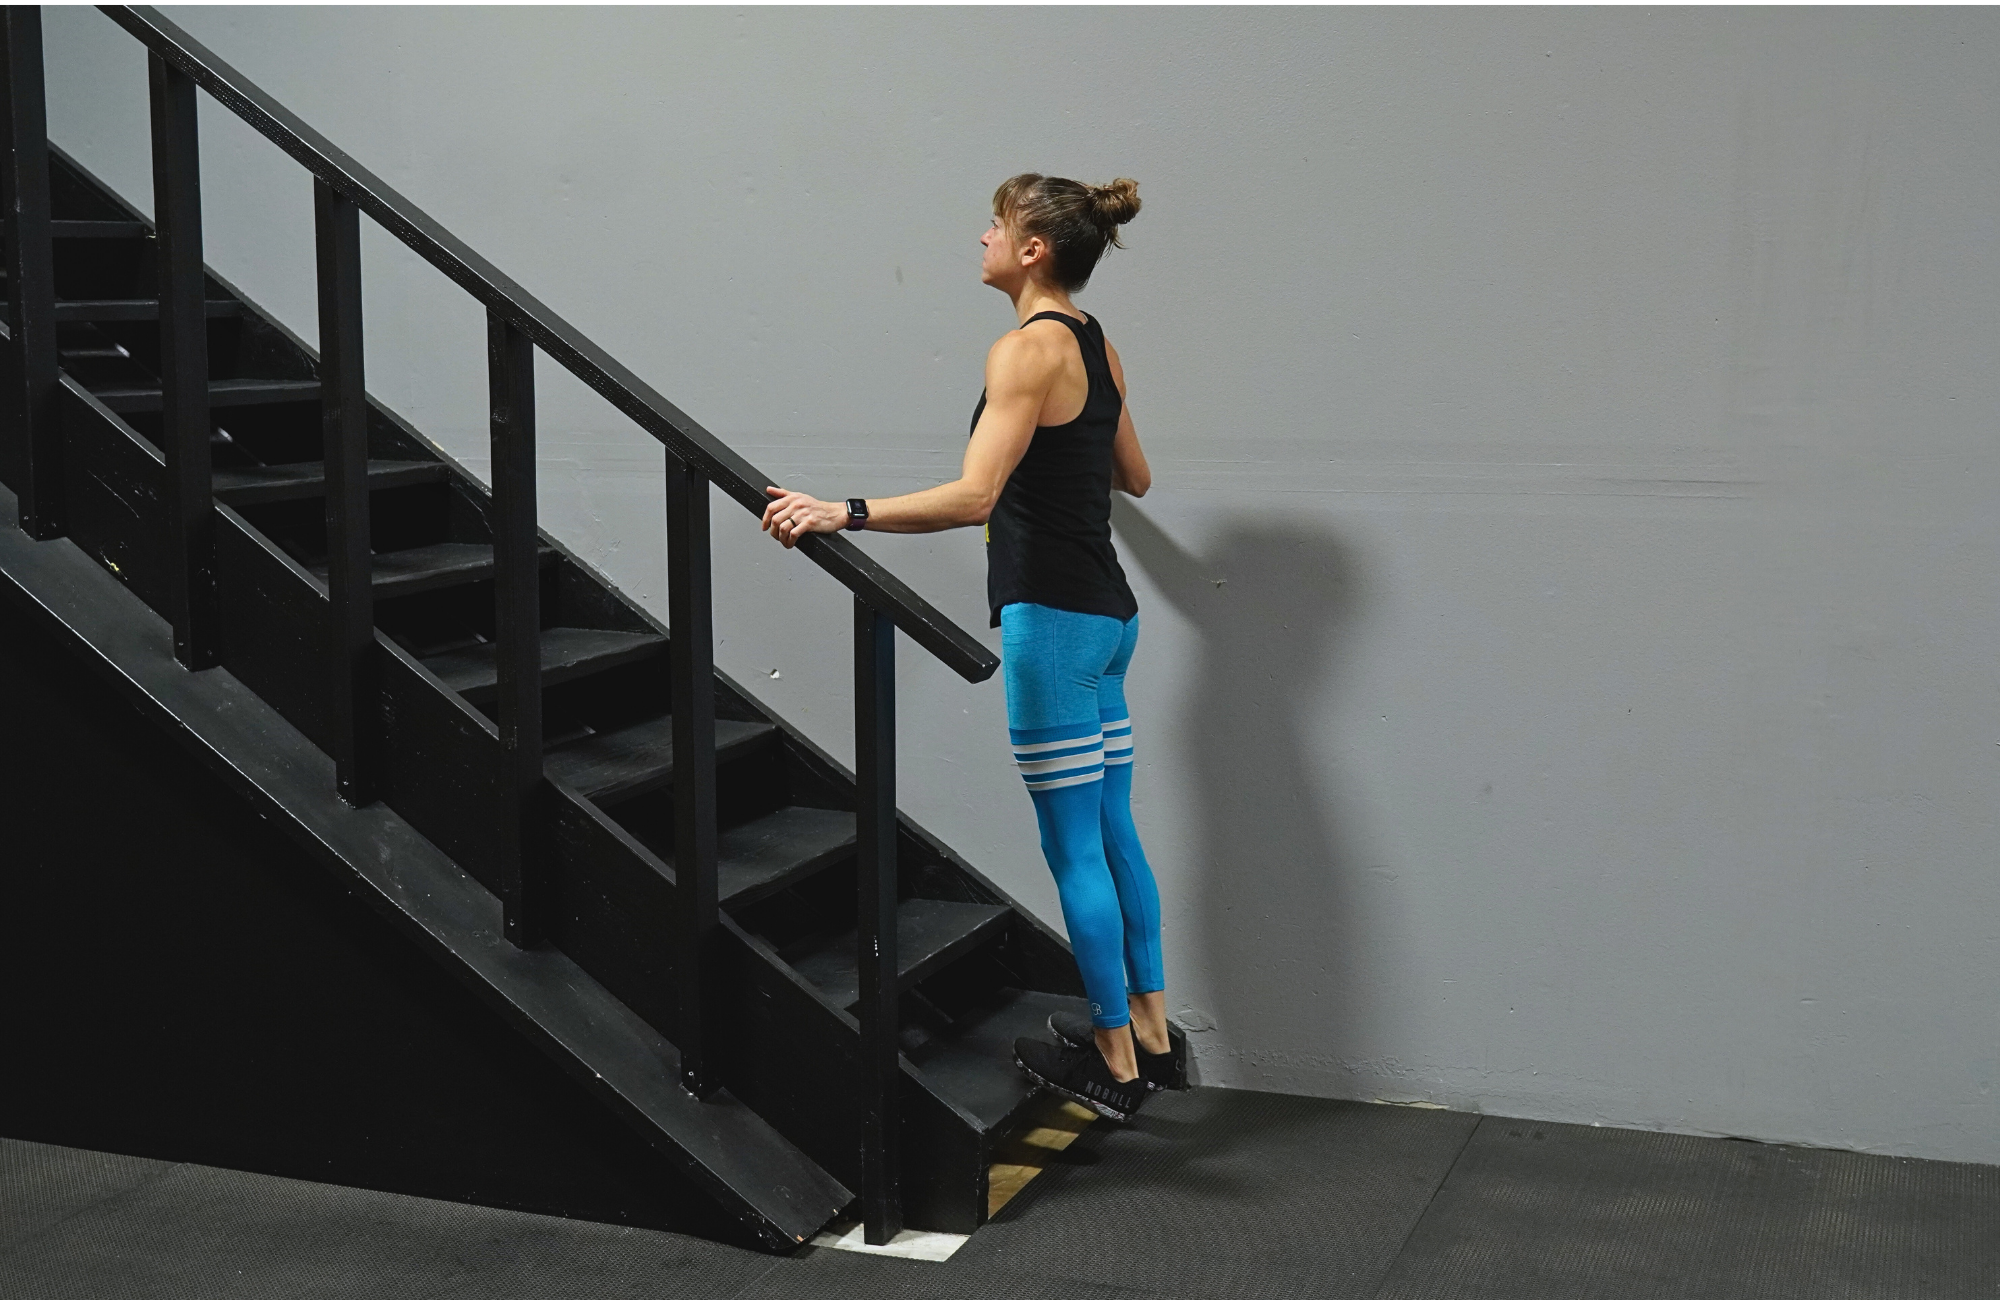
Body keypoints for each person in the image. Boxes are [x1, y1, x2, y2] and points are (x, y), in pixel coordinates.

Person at [759, 173, 1186, 1122]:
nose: (981, 239)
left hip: (1053, 623)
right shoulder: (1096, 345)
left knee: (1074, 846)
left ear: (1033, 249)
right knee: (1114, 832)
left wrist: (845, 512)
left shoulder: (1024, 351)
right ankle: (1154, 1036)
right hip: (1111, 619)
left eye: (995, 227)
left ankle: (1113, 1063)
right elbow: (1137, 477)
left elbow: (975, 496)